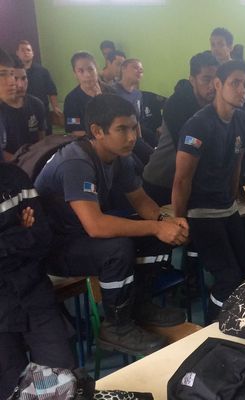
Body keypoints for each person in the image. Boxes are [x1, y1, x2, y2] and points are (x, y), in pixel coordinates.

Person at [35, 94, 189, 355]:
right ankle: (116, 325)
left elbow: (141, 201)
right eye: (122, 129)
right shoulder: (76, 162)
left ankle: (139, 304)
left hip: (81, 234)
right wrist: (156, 227)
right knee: (118, 249)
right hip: (55, 246)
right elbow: (96, 226)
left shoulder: (119, 156)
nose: (132, 137)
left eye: (134, 127)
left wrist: (165, 221)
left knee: (154, 236)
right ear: (97, 131)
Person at [0, 46, 74, 399]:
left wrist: (14, 239)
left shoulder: (14, 178)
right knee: (11, 389)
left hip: (35, 294)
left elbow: (42, 236)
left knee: (61, 382)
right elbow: (27, 238)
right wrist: (19, 233)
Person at [172, 60, 245, 322]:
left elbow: (236, 162)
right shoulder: (198, 125)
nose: (242, 90)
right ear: (218, 84)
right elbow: (182, 180)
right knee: (228, 276)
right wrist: (180, 219)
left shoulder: (241, 119)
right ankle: (213, 326)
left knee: (244, 271)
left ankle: (234, 322)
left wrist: (235, 197)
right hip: (201, 213)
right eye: (235, 83)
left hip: (226, 208)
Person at [143, 51, 219, 206]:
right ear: (192, 80)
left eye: (216, 79)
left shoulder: (216, 103)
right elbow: (188, 151)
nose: (212, 86)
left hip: (192, 182)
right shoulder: (177, 104)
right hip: (162, 182)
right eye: (206, 79)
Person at [210, 27, 245, 116]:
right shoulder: (210, 72)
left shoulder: (243, 71)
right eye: (213, 45)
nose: (215, 49)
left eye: (220, 44)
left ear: (230, 47)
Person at [0, 59, 46, 158]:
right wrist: (21, 162)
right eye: (15, 78)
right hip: (9, 167)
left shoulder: (37, 104)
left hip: (34, 162)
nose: (20, 85)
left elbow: (41, 139)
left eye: (24, 78)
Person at [63, 51, 114, 137]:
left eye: (90, 69)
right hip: (87, 143)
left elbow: (118, 119)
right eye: (81, 71)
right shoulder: (71, 99)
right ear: (75, 74)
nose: (87, 75)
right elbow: (74, 130)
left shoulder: (111, 92)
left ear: (96, 69)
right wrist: (101, 137)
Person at [15, 40, 60, 135]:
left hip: (43, 112)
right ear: (17, 53)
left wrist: (55, 107)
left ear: (33, 53)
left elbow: (52, 91)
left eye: (28, 50)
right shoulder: (12, 73)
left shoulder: (43, 71)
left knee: (47, 142)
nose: (26, 52)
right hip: (22, 113)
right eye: (23, 50)